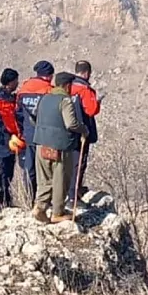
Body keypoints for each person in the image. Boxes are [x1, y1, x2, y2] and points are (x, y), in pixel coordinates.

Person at [29, 72, 87, 224]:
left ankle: (39, 207)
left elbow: (33, 118)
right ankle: (57, 212)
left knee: (45, 179)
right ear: (67, 86)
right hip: (60, 146)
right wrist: (84, 130)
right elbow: (71, 124)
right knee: (61, 179)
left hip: (41, 144)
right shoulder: (65, 101)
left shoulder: (44, 98)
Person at [15, 61, 55, 200]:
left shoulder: (23, 89)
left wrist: (23, 131)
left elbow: (18, 113)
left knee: (29, 168)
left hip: (29, 134)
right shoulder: (49, 90)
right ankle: (44, 200)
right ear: (49, 76)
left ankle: (29, 198)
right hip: (46, 137)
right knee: (47, 169)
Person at [69, 60, 103, 206]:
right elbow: (91, 110)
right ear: (87, 73)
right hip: (82, 133)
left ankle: (69, 191)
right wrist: (98, 101)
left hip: (67, 131)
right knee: (79, 164)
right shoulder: (84, 90)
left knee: (68, 163)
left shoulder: (67, 87)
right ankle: (73, 194)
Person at [0, 68, 23, 208]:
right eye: (16, 80)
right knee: (6, 170)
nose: (17, 83)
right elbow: (10, 123)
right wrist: (19, 135)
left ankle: (4, 199)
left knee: (4, 169)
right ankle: (5, 201)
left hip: (0, 138)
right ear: (10, 82)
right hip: (7, 139)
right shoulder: (5, 101)